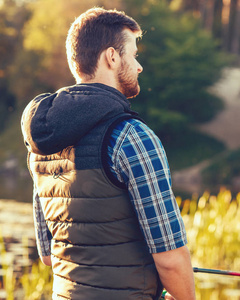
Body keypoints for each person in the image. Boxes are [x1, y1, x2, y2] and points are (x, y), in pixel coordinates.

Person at [21, 7, 195, 300]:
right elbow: (170, 259)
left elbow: (50, 255)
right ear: (112, 57)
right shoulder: (133, 138)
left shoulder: (40, 141)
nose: (139, 66)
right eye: (134, 54)